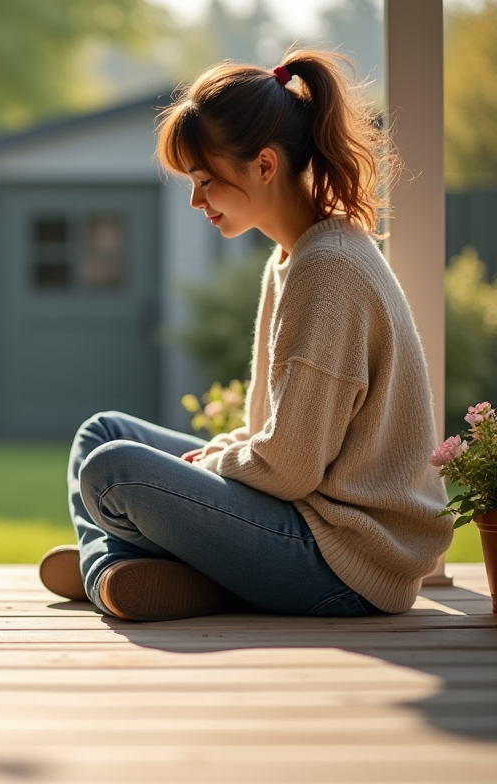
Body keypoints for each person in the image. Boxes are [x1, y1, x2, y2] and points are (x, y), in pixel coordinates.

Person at [38, 49, 453, 621]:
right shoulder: (295, 257)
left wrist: (208, 464)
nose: (195, 199)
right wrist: (226, 451)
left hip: (345, 560)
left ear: (263, 165)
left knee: (113, 472)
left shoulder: (329, 269)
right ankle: (122, 568)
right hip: (305, 518)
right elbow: (275, 435)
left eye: (205, 180)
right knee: (101, 433)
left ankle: (122, 568)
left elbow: (290, 466)